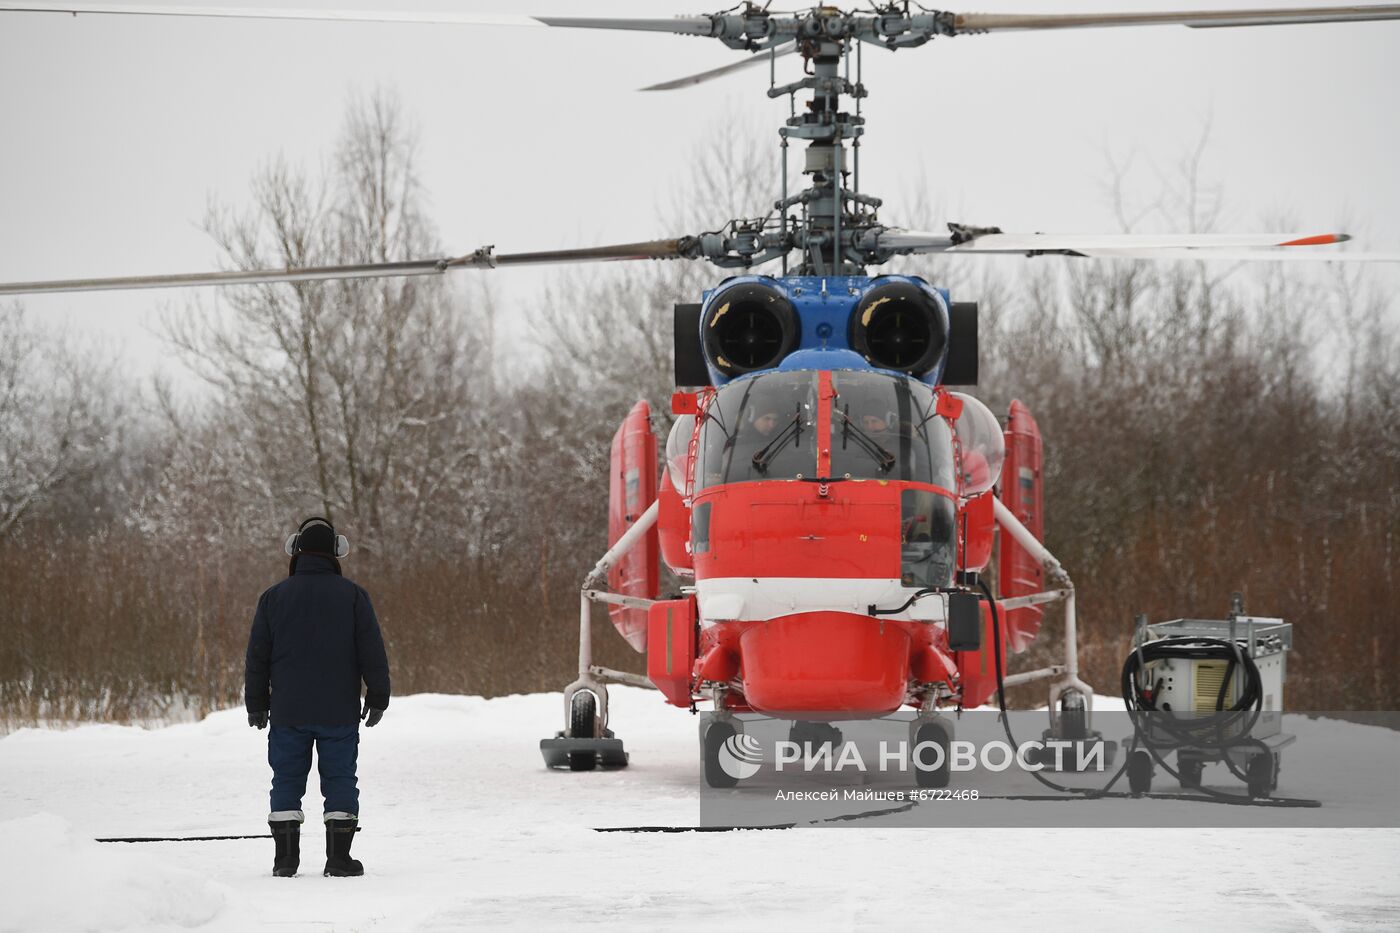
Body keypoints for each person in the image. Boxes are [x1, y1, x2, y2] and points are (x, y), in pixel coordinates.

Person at [245, 516, 391, 878]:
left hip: (287, 712)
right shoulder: (354, 597)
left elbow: (257, 656)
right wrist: (378, 696)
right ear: (336, 553)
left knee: (286, 780)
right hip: (338, 711)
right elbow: (372, 651)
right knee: (341, 779)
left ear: (295, 550)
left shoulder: (273, 598)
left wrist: (256, 703)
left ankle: (285, 861)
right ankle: (339, 860)